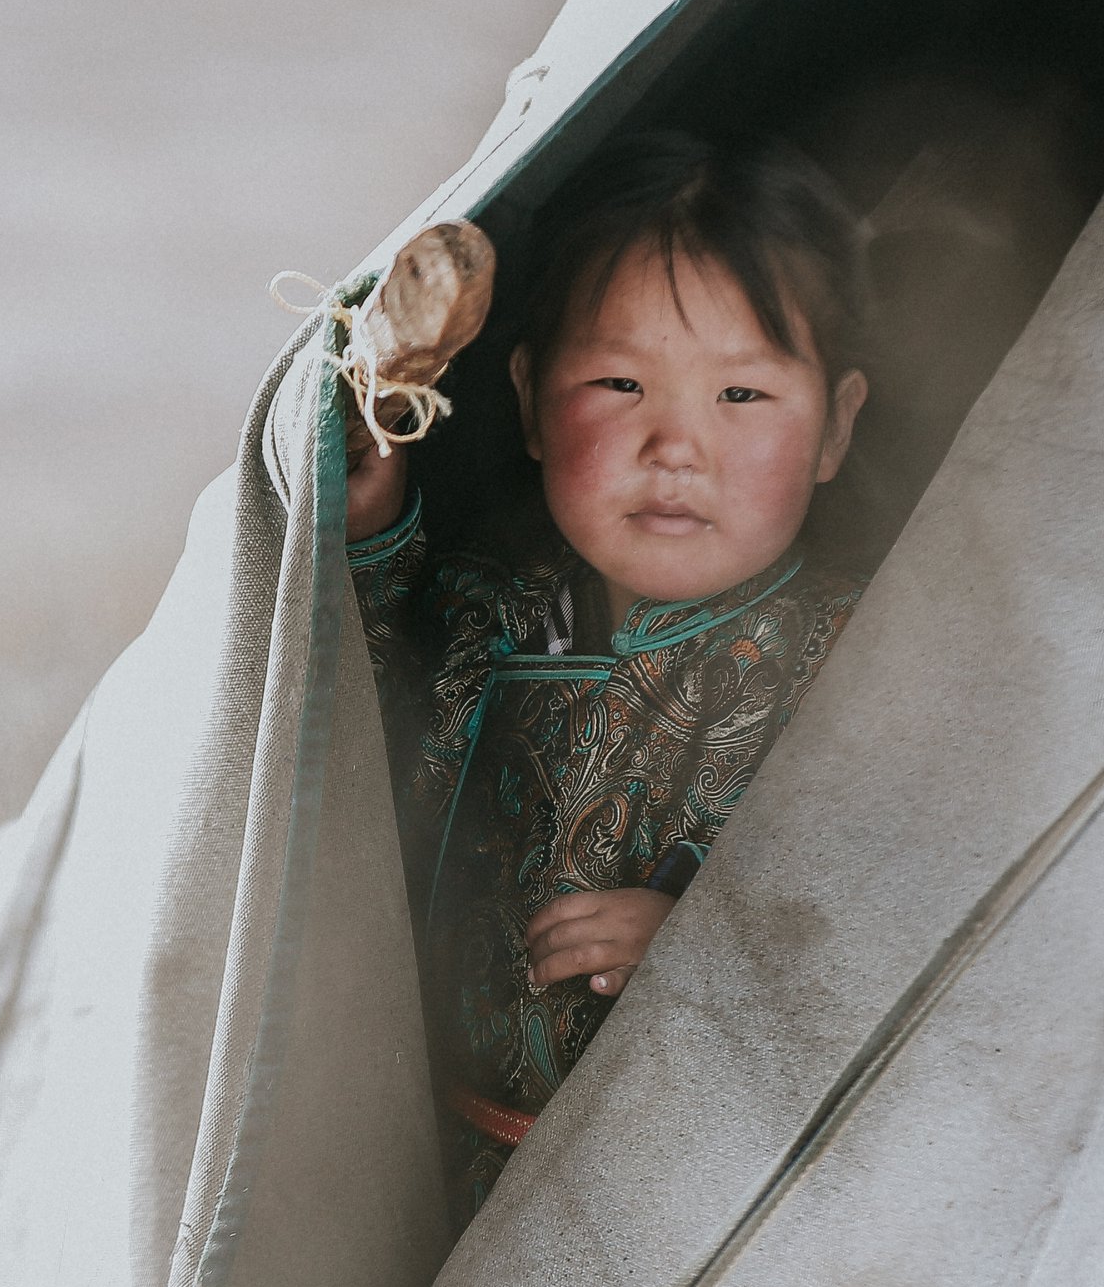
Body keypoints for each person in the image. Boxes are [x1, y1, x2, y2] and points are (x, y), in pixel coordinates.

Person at [344, 129, 872, 1219]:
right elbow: (343, 713)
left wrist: (705, 937)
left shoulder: (861, 660)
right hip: (429, 1174)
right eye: (621, 382)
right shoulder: (484, 605)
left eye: (742, 396)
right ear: (532, 398)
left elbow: (895, 898)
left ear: (836, 427)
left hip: (690, 1221)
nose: (675, 445)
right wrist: (366, 519)